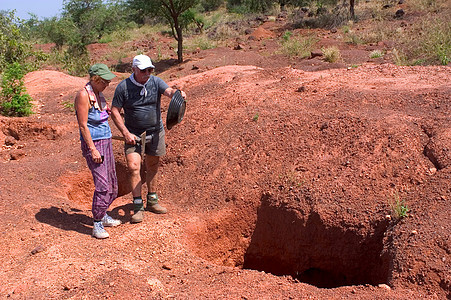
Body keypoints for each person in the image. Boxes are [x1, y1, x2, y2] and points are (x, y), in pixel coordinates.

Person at [111, 54, 186, 223]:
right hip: (133, 134)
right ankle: (138, 206)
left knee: (152, 165)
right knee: (133, 167)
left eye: (150, 69)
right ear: (134, 70)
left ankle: (152, 201)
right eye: (144, 70)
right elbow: (114, 110)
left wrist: (178, 94)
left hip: (156, 131)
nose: (147, 73)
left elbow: (169, 92)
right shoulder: (123, 87)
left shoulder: (155, 82)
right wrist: (125, 133)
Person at [75, 63, 121, 239]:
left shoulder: (99, 95)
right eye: (104, 81)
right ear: (95, 79)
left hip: (106, 140)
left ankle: (103, 214)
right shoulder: (83, 95)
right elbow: (83, 125)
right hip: (94, 144)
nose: (107, 84)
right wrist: (92, 149)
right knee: (102, 185)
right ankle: (97, 224)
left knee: (112, 183)